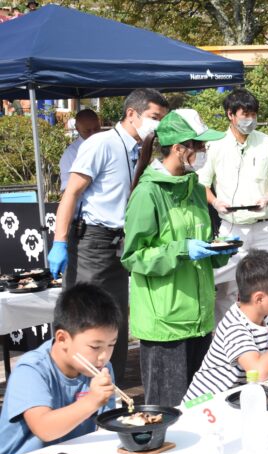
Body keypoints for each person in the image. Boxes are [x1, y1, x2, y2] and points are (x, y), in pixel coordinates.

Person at [48, 88, 169, 385]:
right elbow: (72, 193)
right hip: (94, 241)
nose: (157, 124)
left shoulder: (142, 146)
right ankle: (70, 384)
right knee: (86, 314)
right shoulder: (101, 143)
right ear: (132, 114)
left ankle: (108, 386)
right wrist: (60, 241)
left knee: (115, 318)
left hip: (122, 241)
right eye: (154, 117)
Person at [121, 109, 234, 407]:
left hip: (199, 318)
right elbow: (134, 256)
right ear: (178, 148)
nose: (203, 152)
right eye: (199, 146)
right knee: (169, 413)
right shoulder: (148, 193)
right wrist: (182, 249)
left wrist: (219, 252)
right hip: (165, 323)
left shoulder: (196, 189)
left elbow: (202, 242)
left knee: (202, 408)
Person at [196, 89, 268, 325]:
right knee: (226, 285)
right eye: (245, 114)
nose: (250, 119)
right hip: (231, 226)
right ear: (231, 114)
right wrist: (215, 201)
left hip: (266, 226)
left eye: (254, 114)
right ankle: (227, 336)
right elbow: (202, 183)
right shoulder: (214, 145)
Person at [0, 283, 119, 454]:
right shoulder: (32, 370)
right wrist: (92, 400)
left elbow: (105, 425)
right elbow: (44, 429)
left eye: (111, 344)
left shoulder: (100, 369)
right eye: (95, 346)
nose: (104, 356)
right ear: (62, 338)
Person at [184, 250, 268, 400]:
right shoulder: (235, 327)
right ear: (260, 299)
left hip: (236, 398)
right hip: (205, 405)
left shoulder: (267, 318)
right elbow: (258, 372)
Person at [58, 109, 101, 192]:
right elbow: (67, 188)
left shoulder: (106, 143)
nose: (93, 134)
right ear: (77, 128)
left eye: (96, 129)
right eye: (87, 131)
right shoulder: (70, 154)